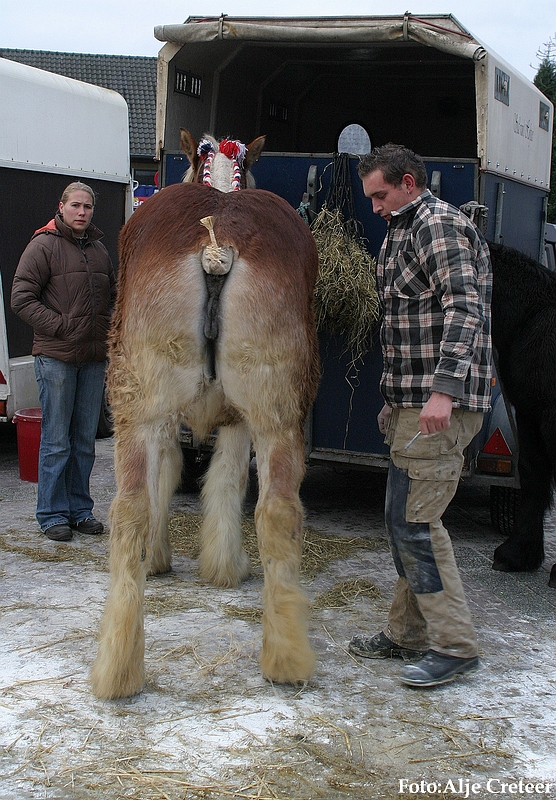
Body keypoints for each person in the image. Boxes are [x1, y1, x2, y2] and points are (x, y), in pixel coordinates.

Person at [348, 144, 492, 688]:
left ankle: (454, 647)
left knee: (417, 524)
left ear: (409, 182)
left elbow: (466, 308)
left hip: (440, 407)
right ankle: (407, 633)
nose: (375, 206)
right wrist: (398, 397)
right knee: (402, 520)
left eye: (380, 195)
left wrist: (443, 392)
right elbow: (410, 325)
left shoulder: (439, 225)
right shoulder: (402, 230)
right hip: (416, 403)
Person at [11, 182, 116, 542]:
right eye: (76, 205)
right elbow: (21, 298)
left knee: (85, 441)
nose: (82, 212)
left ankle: (79, 510)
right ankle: (51, 514)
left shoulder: (100, 250)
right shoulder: (43, 245)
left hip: (91, 359)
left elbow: (113, 299)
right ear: (62, 206)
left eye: (88, 207)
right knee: (57, 441)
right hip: (55, 357)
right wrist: (61, 326)